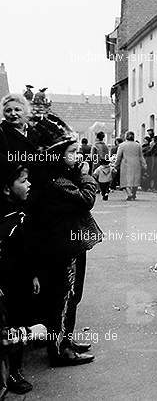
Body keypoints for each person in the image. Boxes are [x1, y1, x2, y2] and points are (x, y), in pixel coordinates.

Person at [26, 115, 101, 367]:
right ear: (56, 154)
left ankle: (64, 340)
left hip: (65, 243)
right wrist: (86, 175)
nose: (77, 156)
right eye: (72, 151)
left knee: (69, 295)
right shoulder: (56, 181)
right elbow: (86, 198)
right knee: (65, 295)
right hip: (63, 247)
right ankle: (59, 349)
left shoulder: (55, 176)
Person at [0, 162, 41, 395]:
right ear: (7, 188)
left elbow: (27, 248)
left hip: (23, 278)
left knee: (21, 321)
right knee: (11, 326)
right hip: (8, 282)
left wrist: (33, 274)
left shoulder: (22, 211)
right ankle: (12, 374)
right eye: (23, 181)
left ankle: (16, 368)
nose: (29, 184)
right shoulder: (5, 217)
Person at [115, 131, 147, 201]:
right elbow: (141, 156)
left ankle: (130, 194)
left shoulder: (122, 145)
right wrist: (144, 164)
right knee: (135, 180)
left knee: (125, 181)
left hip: (125, 164)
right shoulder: (138, 145)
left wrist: (116, 164)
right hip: (136, 164)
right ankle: (134, 194)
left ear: (126, 137)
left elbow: (119, 156)